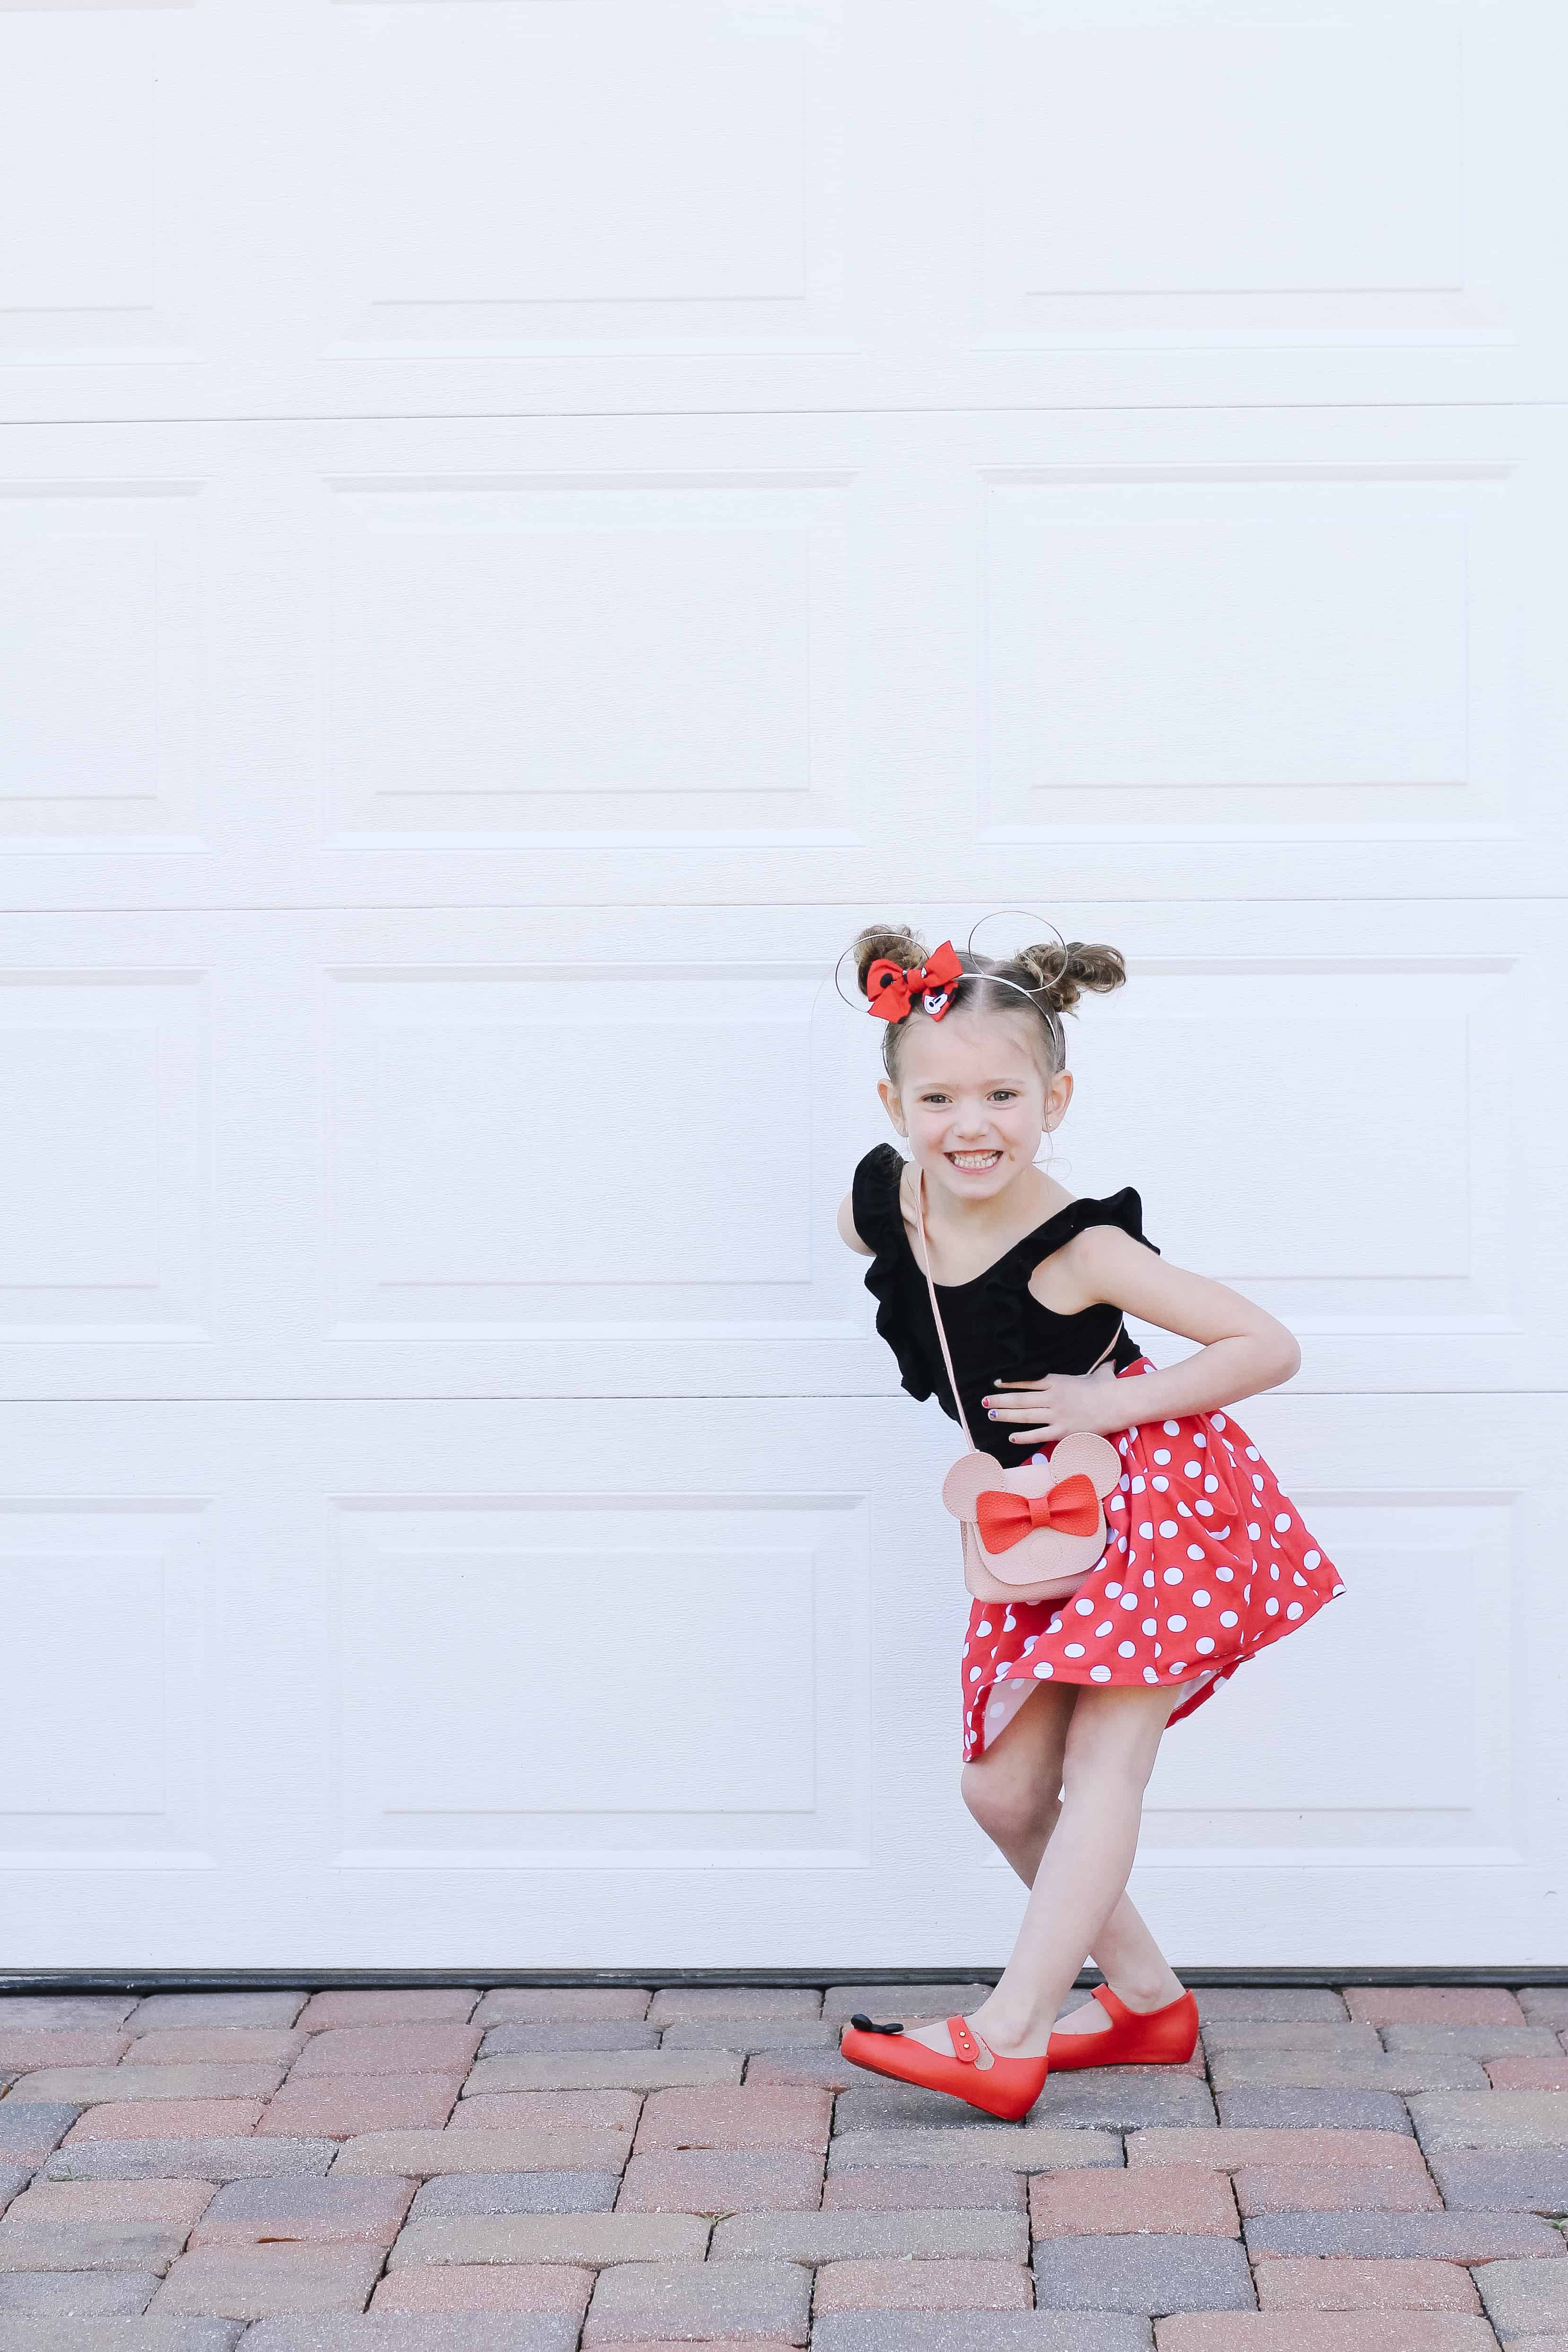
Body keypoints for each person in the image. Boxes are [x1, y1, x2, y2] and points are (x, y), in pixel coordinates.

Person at [836, 923, 1344, 2120]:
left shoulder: (1084, 1246)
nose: (974, 1124)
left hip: (1150, 1496)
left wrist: (1107, 1398)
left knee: (1106, 1760)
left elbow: (1265, 1344)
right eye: (942, 1095)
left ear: (1055, 1098)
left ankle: (1008, 2032)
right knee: (1003, 1794)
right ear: (894, 1100)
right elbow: (892, 1269)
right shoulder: (881, 1201)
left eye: (1005, 1094)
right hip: (1034, 1524)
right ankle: (1147, 1999)